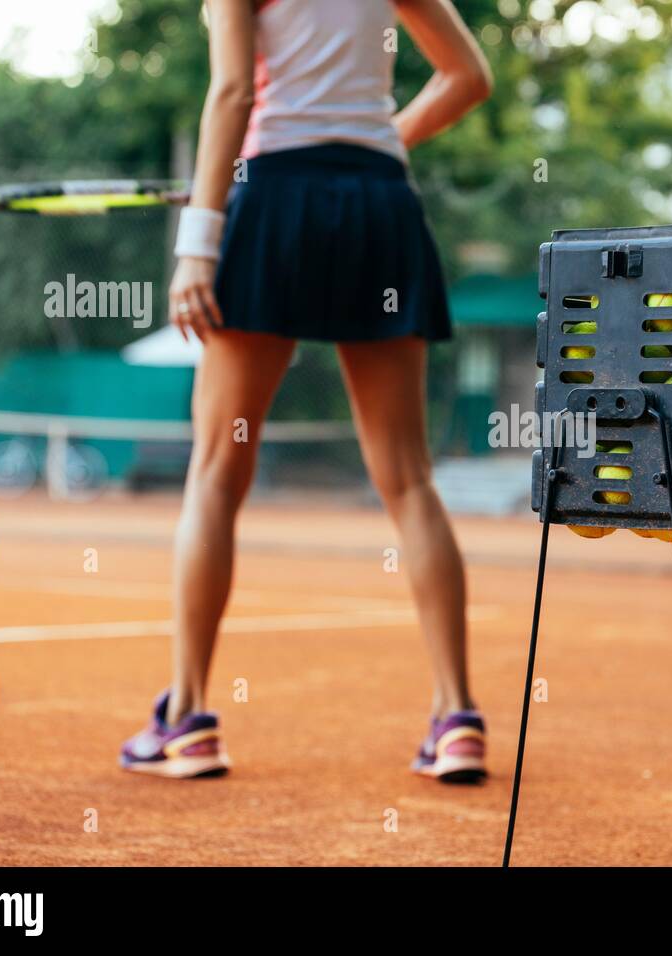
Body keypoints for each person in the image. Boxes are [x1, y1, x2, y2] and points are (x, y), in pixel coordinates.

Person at [120, 0, 492, 782]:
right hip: (379, 202)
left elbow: (232, 95)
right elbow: (468, 78)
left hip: (276, 196)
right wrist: (387, 139)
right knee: (411, 479)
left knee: (218, 471)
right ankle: (456, 718)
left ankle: (186, 720)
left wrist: (197, 244)